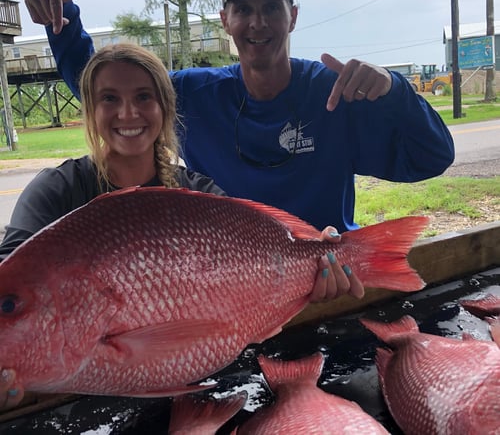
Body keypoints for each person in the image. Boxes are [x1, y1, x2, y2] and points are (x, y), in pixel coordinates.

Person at [0, 42, 363, 409]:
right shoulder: (56, 190)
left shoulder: (198, 192)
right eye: (109, 98)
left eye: (144, 96)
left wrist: (319, 258)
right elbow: (9, 269)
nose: (128, 112)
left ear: (165, 108)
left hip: (203, 397)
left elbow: (271, 245)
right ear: (90, 111)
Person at [25, 0, 454, 237]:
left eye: (271, 7)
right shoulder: (195, 93)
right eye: (243, 9)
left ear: (293, 17)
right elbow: (109, 87)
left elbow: (431, 157)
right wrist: (62, 25)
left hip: (330, 271)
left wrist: (395, 90)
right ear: (225, 20)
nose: (257, 22)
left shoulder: (334, 90)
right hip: (233, 282)